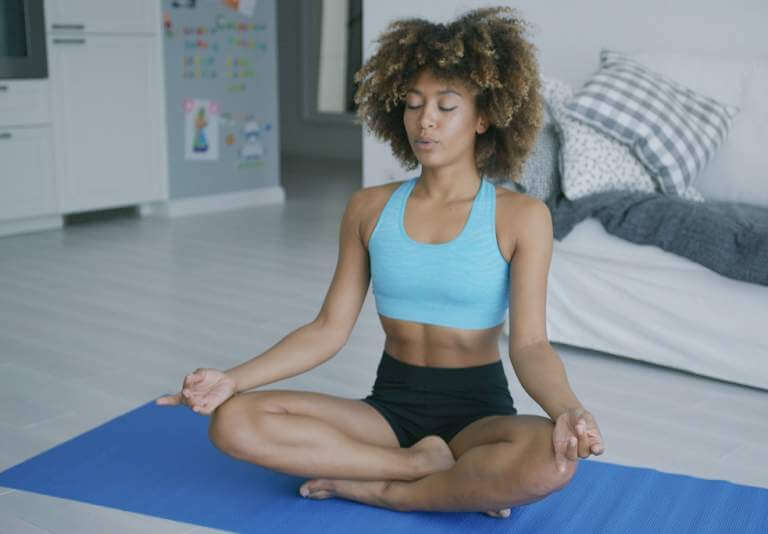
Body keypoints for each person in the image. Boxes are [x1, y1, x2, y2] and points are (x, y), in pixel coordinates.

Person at [157, 6, 605, 518]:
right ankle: (427, 472)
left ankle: (372, 485)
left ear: (483, 118)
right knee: (233, 422)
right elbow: (328, 329)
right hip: (388, 412)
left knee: (554, 460)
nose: (425, 120)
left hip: (479, 415)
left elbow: (530, 346)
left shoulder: (522, 217)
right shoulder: (369, 208)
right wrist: (233, 380)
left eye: (445, 105)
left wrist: (568, 410)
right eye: (414, 105)